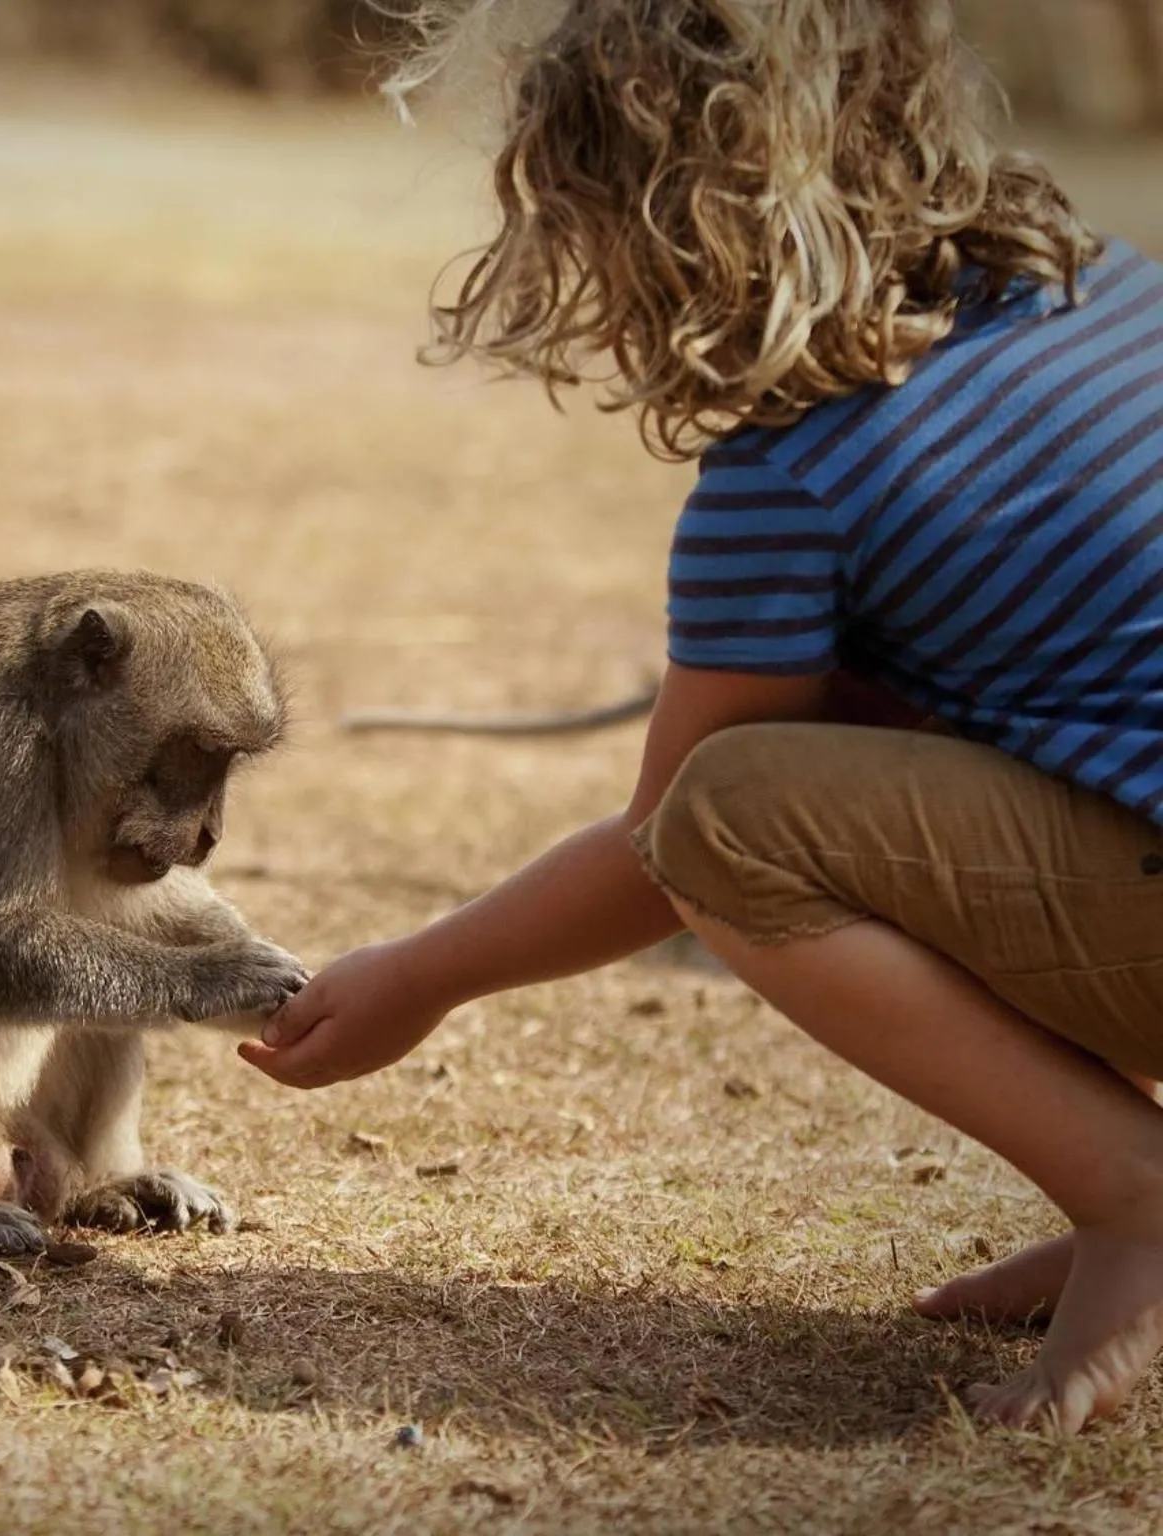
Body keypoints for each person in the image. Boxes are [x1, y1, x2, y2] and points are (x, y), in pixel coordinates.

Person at [239, 0, 1163, 1433]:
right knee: (938, 731)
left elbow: (673, 843)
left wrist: (424, 974)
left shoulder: (790, 478)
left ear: (631, 231)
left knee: (741, 814)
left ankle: (1136, 1199)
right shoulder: (1102, 288)